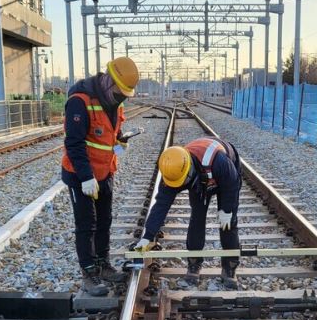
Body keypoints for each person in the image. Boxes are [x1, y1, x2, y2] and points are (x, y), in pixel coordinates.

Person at [62, 56, 139, 296]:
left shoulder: (115, 101)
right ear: (109, 81)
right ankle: (89, 274)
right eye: (120, 91)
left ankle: (103, 265)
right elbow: (74, 143)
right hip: (81, 175)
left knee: (105, 220)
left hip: (105, 172)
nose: (122, 96)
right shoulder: (79, 101)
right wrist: (86, 177)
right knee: (86, 225)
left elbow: (109, 136)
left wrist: (120, 143)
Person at [133, 138, 242, 289]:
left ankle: (229, 267)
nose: (180, 187)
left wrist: (227, 210)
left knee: (228, 223)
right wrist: (147, 237)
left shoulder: (219, 162)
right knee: (197, 217)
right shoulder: (172, 171)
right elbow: (161, 206)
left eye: (182, 182)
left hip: (223, 176)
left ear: (189, 171)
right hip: (201, 179)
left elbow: (233, 183)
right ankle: (194, 264)